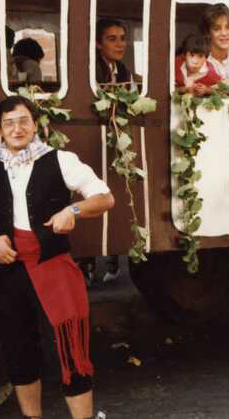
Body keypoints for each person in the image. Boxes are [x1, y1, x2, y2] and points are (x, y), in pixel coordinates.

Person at [0, 95, 114, 419]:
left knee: (70, 352)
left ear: (35, 125)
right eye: (9, 123)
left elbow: (105, 198)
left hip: (54, 267)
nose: (17, 128)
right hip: (10, 273)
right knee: (18, 350)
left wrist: (74, 209)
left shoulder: (61, 160)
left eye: (24, 120)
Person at [92, 18, 132, 283]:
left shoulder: (122, 68)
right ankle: (95, 265)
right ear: (98, 43)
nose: (119, 44)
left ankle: (111, 261)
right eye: (111, 38)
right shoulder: (93, 68)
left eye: (122, 38)